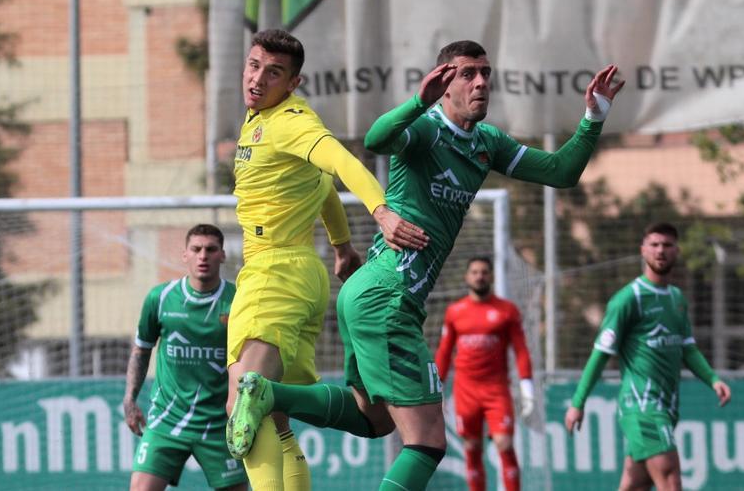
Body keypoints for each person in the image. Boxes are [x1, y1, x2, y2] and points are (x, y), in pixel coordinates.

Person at [229, 40, 624, 490]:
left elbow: (560, 171)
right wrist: (418, 102)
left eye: (484, 73)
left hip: (370, 294)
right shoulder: (425, 130)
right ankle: (264, 394)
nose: (479, 82)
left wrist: (594, 116)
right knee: (428, 440)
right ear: (444, 82)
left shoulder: (487, 142)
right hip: (387, 295)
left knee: (373, 419)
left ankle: (268, 393)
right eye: (466, 74)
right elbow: (377, 140)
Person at [225, 28, 429, 491]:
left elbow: (339, 160)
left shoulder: (291, 121)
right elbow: (322, 186)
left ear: (293, 83)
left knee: (242, 405)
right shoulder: (261, 120)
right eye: (254, 65)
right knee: (275, 417)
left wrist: (381, 212)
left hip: (273, 273)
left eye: (274, 73)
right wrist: (341, 245)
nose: (258, 78)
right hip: (304, 275)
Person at [565, 222, 731, 491]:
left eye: (667, 245)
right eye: (654, 245)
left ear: (677, 251)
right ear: (642, 250)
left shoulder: (676, 298)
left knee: (635, 485)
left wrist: (713, 379)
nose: (660, 251)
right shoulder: (628, 299)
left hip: (666, 408)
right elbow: (600, 354)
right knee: (670, 479)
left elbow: (687, 348)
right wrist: (577, 402)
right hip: (642, 406)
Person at [122, 224, 248, 491]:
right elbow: (141, 350)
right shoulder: (161, 298)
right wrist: (130, 398)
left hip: (219, 423)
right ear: (185, 255)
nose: (203, 256)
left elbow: (250, 360)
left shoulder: (238, 301)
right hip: (167, 419)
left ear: (223, 255)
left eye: (211, 249)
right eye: (197, 249)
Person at [436, 255, 534, 491]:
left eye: (484, 272)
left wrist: (527, 388)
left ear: (491, 276)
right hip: (466, 391)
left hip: (496, 390)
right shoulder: (455, 312)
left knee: (504, 443)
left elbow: (521, 350)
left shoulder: (507, 311)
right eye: (475, 272)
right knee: (471, 447)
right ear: (467, 277)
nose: (480, 276)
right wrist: (437, 389)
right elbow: (444, 352)